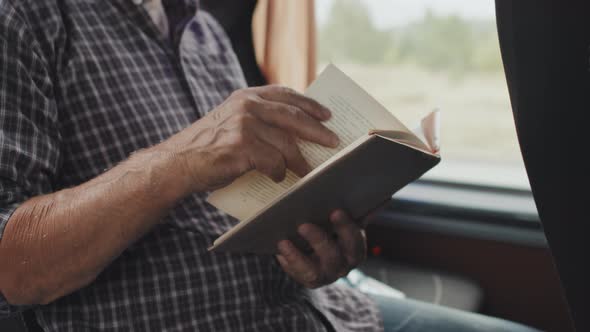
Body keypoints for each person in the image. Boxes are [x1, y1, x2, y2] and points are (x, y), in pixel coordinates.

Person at [0, 1, 540, 331]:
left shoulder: (205, 32)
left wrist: (316, 250)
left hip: (327, 313)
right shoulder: (24, 17)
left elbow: (244, 211)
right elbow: (12, 271)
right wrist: (180, 159)